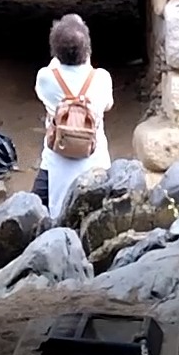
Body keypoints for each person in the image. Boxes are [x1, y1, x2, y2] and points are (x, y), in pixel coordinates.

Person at [34, 14, 113, 221]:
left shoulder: (46, 78)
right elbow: (108, 105)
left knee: (38, 208)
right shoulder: (102, 78)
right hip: (95, 161)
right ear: (87, 48)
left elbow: (52, 68)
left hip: (56, 162)